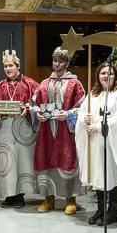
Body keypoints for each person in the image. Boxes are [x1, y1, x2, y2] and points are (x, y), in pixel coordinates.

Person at [76, 62, 117, 225]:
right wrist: (84, 119)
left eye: (110, 73)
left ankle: (112, 211)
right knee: (98, 174)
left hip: (111, 143)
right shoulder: (92, 95)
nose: (106, 76)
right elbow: (81, 112)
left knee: (111, 175)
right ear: (98, 76)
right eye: (103, 73)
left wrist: (98, 126)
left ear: (115, 76)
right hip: (95, 143)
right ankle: (101, 210)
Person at [30, 47, 85, 215]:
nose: (57, 64)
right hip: (47, 130)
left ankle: (70, 199)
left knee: (67, 162)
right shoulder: (44, 84)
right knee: (47, 162)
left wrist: (68, 114)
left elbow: (83, 106)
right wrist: (37, 114)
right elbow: (33, 104)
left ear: (67, 63)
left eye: (61, 61)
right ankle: (48, 198)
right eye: (55, 60)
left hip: (66, 131)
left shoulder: (75, 84)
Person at [0, 49, 39, 208]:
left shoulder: (30, 84)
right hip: (5, 129)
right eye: (5, 66)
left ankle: (20, 195)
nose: (8, 69)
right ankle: (9, 195)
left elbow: (38, 102)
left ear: (18, 66)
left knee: (22, 160)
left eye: (11, 65)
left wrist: (29, 108)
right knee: (6, 161)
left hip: (23, 128)